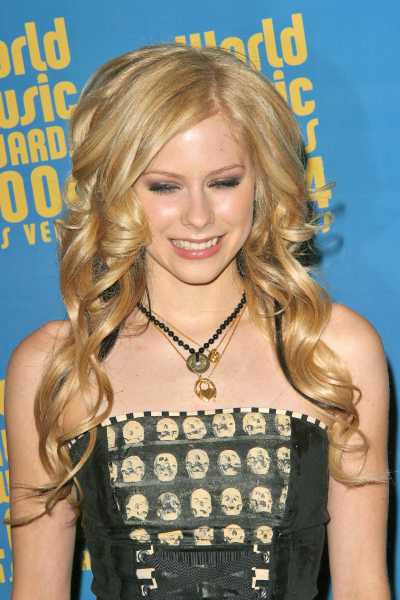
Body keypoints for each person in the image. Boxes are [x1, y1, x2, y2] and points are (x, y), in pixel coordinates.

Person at [5, 43, 390, 600]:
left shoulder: (334, 351)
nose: (198, 217)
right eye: (164, 186)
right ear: (115, 190)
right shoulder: (56, 367)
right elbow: (37, 590)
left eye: (224, 182)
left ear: (262, 181)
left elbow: (362, 586)